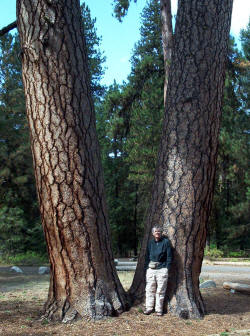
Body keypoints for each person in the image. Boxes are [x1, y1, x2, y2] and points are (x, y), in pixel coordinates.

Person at [144, 226, 172, 316]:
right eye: (156, 231)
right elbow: (147, 256)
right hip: (151, 269)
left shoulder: (166, 242)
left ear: (161, 233)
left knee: (160, 291)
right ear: (153, 233)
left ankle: (159, 310)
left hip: (162, 269)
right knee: (149, 289)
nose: (157, 233)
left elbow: (169, 256)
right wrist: (147, 268)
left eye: (159, 231)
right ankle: (149, 308)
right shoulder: (150, 243)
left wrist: (166, 268)